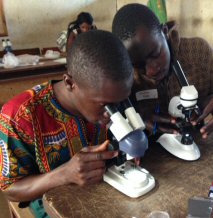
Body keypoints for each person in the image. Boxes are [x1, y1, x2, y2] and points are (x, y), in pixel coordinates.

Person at [0, 30, 133, 217]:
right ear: (70, 83)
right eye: (105, 105)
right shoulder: (20, 116)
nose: (114, 113)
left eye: (120, 102)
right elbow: (10, 189)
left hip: (109, 198)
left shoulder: (111, 93)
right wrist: (64, 174)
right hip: (53, 208)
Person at [112, 3, 213, 139]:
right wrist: (135, 120)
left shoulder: (199, 52)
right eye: (139, 65)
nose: (151, 71)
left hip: (204, 146)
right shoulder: (124, 75)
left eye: (155, 54)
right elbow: (114, 121)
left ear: (165, 31)